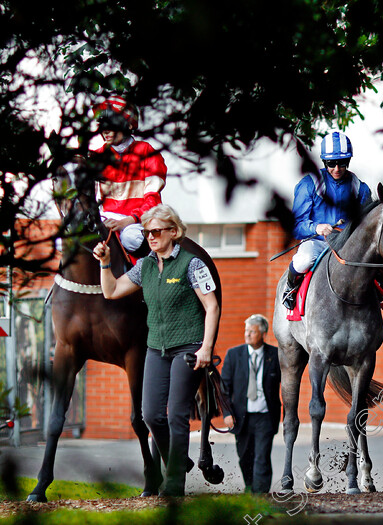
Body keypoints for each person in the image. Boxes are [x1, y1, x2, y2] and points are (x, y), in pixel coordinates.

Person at [92, 204, 220, 497]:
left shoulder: (192, 264)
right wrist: (105, 263)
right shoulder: (146, 266)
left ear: (173, 232)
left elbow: (211, 307)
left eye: (157, 231)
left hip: (188, 347)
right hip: (156, 349)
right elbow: (111, 291)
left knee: (176, 415)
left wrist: (206, 348)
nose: (150, 237)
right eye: (147, 232)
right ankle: (179, 460)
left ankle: (174, 482)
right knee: (150, 415)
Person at [282, 129, 372, 309]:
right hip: (316, 242)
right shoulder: (308, 184)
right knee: (303, 260)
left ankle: (376, 295)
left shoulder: (360, 188)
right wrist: (316, 228)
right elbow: (295, 226)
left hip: (346, 245)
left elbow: (366, 225)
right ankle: (289, 290)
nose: (337, 169)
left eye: (342, 163)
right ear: (324, 161)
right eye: (331, 163)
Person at [91, 94, 167, 254]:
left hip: (137, 220)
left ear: (128, 125)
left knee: (131, 238)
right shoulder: (96, 157)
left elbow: (153, 199)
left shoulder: (147, 152)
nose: (105, 130)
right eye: (102, 125)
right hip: (105, 217)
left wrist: (127, 221)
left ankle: (145, 275)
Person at [221, 314, 281, 493]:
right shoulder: (233, 355)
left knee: (261, 457)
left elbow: (286, 384)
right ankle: (250, 487)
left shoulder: (275, 355)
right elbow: (224, 388)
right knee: (245, 456)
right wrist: (226, 413)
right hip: (241, 416)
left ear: (263, 334)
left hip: (265, 415)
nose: (247, 334)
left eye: (252, 331)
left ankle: (260, 493)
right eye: (246, 331)